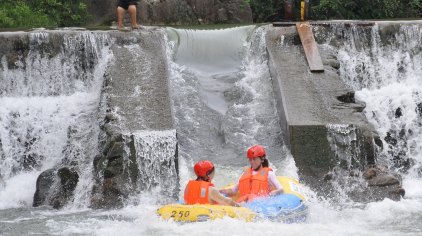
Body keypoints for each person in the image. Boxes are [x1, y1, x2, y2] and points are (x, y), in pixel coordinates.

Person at [219, 145, 284, 202]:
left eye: (254, 159)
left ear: (262, 159)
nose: (252, 162)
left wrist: (274, 193)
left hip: (260, 204)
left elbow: (281, 189)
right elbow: (234, 190)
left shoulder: (269, 174)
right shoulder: (245, 174)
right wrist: (220, 192)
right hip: (244, 204)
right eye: (250, 159)